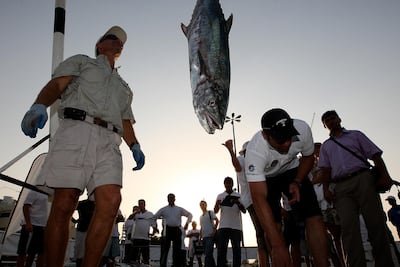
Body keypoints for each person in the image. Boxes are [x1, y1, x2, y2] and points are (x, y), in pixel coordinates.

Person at [20, 25, 145, 266]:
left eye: (121, 42)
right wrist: (38, 106)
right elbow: (57, 85)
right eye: (112, 38)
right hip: (78, 129)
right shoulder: (82, 62)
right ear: (100, 45)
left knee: (111, 202)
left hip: (110, 139)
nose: (118, 43)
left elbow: (126, 119)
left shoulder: (124, 87)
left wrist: (135, 146)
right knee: (65, 202)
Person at [245, 108, 329, 267]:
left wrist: (297, 181)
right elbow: (258, 198)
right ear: (265, 135)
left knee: (314, 216)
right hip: (267, 178)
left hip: (293, 170)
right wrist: (278, 246)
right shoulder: (255, 151)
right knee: (274, 226)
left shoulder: (302, 129)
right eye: (280, 140)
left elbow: (308, 156)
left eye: (288, 137)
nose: (287, 143)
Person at [318, 110, 394, 267]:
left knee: (376, 224)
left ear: (339, 119)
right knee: (348, 229)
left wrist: (385, 176)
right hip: (340, 186)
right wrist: (326, 189)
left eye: (333, 118)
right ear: (325, 126)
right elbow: (325, 170)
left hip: (363, 179)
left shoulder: (356, 135)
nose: (331, 121)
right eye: (327, 120)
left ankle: (385, 263)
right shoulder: (326, 146)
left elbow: (375, 156)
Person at [223, 139, 270, 267]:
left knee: (268, 231)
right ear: (245, 152)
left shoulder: (260, 160)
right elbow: (237, 165)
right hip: (253, 201)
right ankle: (265, 263)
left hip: (264, 199)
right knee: (262, 232)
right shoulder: (243, 160)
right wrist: (231, 151)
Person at [214, 176, 246, 267]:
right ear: (224, 184)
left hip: (236, 227)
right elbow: (215, 211)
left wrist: (238, 202)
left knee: (237, 251)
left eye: (229, 183)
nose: (228, 185)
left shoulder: (238, 195)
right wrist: (217, 204)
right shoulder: (220, 196)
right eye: (226, 183)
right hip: (223, 226)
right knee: (221, 251)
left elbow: (244, 211)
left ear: (232, 184)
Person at [154, 193, 193, 267]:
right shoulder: (163, 209)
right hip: (167, 230)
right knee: (164, 249)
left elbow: (190, 214)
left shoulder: (179, 209)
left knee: (177, 250)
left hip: (176, 230)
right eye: (169, 198)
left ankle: (176, 265)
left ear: (175, 199)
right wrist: (154, 227)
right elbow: (154, 217)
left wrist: (187, 223)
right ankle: (163, 265)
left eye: (172, 198)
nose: (171, 199)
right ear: (167, 199)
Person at [16, 190, 48, 267]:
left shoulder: (49, 193)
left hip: (43, 227)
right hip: (32, 225)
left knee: (40, 252)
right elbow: (26, 206)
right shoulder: (34, 191)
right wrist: (28, 223)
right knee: (23, 251)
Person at [131, 199, 158, 265]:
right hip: (136, 237)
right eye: (139, 204)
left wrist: (153, 233)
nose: (141, 205)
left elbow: (154, 225)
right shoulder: (136, 214)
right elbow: (130, 218)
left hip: (145, 238)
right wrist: (135, 212)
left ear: (145, 204)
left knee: (145, 256)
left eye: (142, 204)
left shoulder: (150, 214)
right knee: (134, 257)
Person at [72, 199, 95, 267]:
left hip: (89, 230)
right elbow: (68, 209)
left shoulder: (98, 204)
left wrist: (75, 220)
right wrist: (74, 220)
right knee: (81, 254)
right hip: (83, 230)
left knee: (84, 253)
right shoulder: (82, 203)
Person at [199, 200, 219, 267]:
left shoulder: (210, 212)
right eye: (201, 205)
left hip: (210, 236)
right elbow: (201, 227)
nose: (202, 206)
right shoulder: (201, 217)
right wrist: (200, 236)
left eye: (203, 204)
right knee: (208, 254)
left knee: (208, 254)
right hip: (204, 237)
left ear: (206, 205)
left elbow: (217, 220)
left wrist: (214, 232)